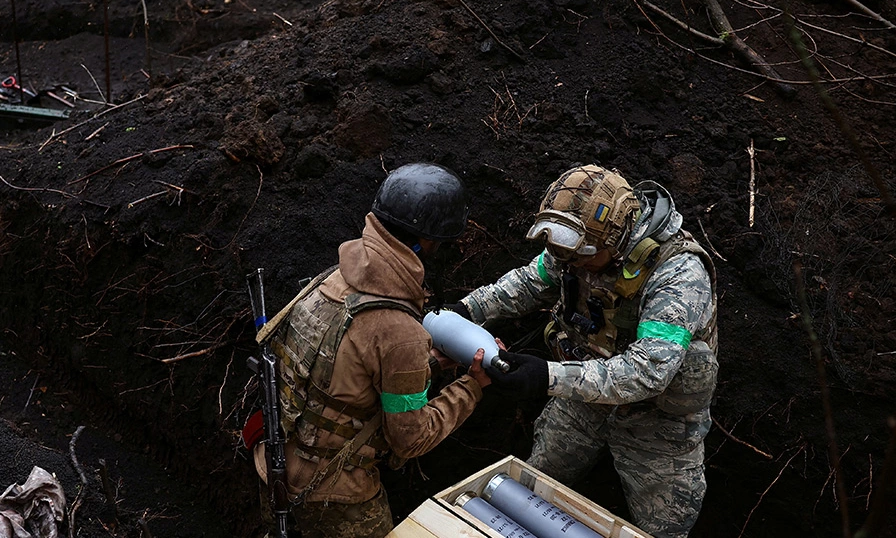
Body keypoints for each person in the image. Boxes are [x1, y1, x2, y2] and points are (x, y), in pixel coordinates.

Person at [452, 164, 717, 538]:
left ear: (616, 238)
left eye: (579, 256)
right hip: (584, 393)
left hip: (656, 419)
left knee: (665, 527)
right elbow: (529, 282)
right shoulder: (575, 249)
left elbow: (648, 370)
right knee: (529, 488)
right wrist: (467, 310)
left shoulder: (679, 274)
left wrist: (546, 376)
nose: (569, 263)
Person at [254, 162, 492, 537]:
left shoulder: (333, 279)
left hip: (273, 465)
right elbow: (410, 439)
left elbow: (341, 374)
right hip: (335, 496)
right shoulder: (400, 332)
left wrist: (426, 366)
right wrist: (472, 387)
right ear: (427, 241)